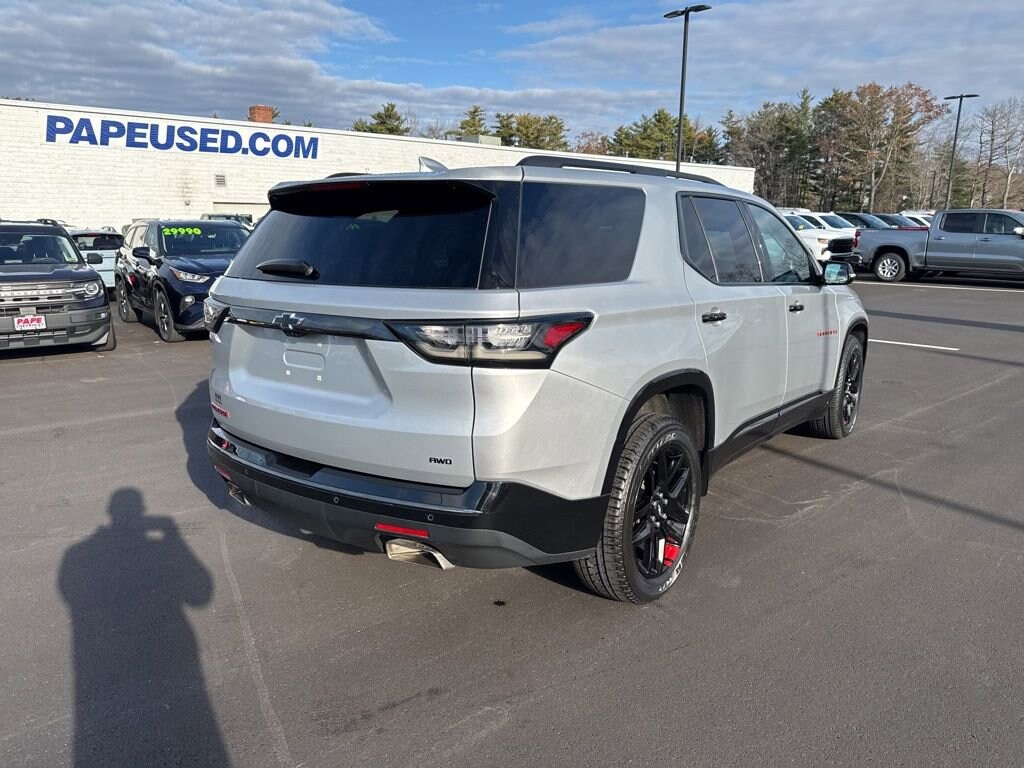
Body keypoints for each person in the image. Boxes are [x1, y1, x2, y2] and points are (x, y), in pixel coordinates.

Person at [58, 488, 229, 767]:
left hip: (95, 661)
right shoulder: (157, 548)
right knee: (183, 724)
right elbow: (200, 595)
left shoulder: (76, 554)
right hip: (168, 651)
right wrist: (174, 538)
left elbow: (70, 594)